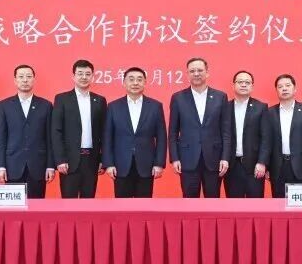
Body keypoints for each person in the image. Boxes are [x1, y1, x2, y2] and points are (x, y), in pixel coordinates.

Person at [168, 57, 231, 197]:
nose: (196, 73)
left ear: (207, 72)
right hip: (187, 159)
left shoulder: (220, 97)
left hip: (214, 159)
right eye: (192, 71)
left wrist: (225, 158)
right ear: (187, 74)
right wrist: (175, 158)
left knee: (212, 201)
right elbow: (172, 132)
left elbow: (226, 131)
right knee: (189, 202)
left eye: (200, 70)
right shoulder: (178, 98)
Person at [103, 67, 167, 198]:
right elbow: (107, 137)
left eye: (139, 79)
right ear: (124, 83)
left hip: (146, 165)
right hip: (120, 166)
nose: (135, 83)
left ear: (145, 82)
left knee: (144, 206)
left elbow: (161, 137)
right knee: (122, 206)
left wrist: (159, 163)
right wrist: (108, 164)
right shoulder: (113, 106)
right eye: (131, 79)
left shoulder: (155, 106)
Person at [0, 65, 55, 198]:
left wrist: (50, 166)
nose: (25, 80)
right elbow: (0, 138)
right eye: (21, 77)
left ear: (34, 80)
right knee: (14, 207)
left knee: (37, 206)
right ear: (15, 80)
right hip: (12, 165)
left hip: (38, 165)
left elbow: (49, 138)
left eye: (29, 76)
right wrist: (0, 166)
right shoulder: (4, 105)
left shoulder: (46, 105)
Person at [51, 60, 107, 198]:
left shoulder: (100, 100)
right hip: (69, 161)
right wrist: (60, 159)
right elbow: (56, 131)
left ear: (92, 76)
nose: (84, 77)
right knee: (68, 202)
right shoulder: (62, 99)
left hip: (92, 160)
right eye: (80, 73)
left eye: (88, 74)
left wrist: (103, 159)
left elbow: (104, 132)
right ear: (73, 76)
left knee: (88, 201)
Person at [266, 74, 302, 198]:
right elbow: (267, 142)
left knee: (299, 204)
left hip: (301, 166)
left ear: (295, 89)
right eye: (280, 86)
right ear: (276, 90)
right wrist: (266, 166)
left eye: (288, 85)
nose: (284, 88)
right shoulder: (269, 113)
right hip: (277, 167)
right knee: (278, 203)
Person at [224, 70, 271, 198]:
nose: (243, 85)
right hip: (231, 166)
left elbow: (266, 138)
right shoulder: (225, 107)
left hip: (254, 167)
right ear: (233, 85)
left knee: (255, 206)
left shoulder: (261, 107)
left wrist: (262, 162)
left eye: (247, 82)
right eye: (240, 82)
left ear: (252, 86)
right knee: (233, 205)